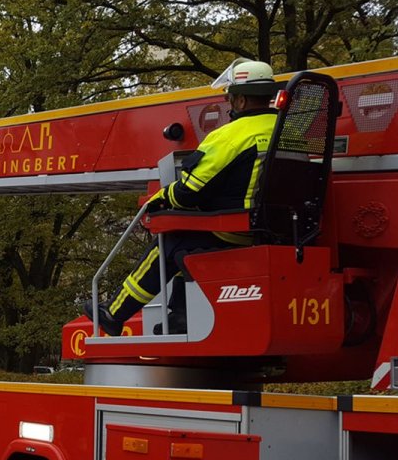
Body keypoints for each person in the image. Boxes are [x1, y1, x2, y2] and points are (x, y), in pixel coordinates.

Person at [86, 58, 284, 336]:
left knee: (171, 240)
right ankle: (180, 316)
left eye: (231, 99)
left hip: (235, 231)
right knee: (186, 248)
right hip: (278, 231)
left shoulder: (229, 137)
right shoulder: (290, 131)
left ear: (239, 101)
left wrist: (159, 199)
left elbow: (188, 192)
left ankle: (114, 312)